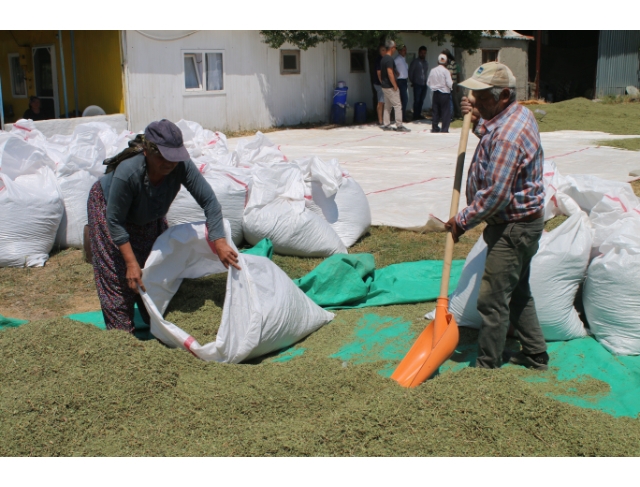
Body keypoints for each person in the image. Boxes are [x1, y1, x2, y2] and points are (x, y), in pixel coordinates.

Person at [87, 119, 240, 333]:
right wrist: (131, 262)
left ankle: (154, 319)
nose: (169, 164)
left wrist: (219, 241)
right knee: (119, 274)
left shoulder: (181, 166)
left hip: (148, 213)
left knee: (152, 267)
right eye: (163, 157)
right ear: (148, 152)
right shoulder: (128, 172)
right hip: (109, 211)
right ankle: (121, 335)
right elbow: (114, 221)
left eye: (174, 158)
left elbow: (210, 202)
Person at [444, 62, 548, 371]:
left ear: (502, 95)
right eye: (471, 94)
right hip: (524, 223)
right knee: (517, 292)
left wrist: (462, 220)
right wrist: (476, 121)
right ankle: (535, 354)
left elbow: (496, 194)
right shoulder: (515, 115)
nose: (473, 101)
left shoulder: (508, 135)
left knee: (491, 299)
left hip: (513, 228)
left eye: (480, 96)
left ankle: (486, 367)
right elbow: (492, 140)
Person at [380, 40, 410, 132]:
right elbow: (390, 73)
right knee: (397, 105)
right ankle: (399, 125)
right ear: (392, 48)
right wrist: (395, 85)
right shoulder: (389, 59)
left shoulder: (383, 58)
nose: (395, 50)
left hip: (384, 86)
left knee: (387, 106)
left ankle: (386, 124)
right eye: (395, 48)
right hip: (390, 86)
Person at [427, 54, 453, 133]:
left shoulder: (433, 70)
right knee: (445, 111)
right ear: (446, 62)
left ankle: (435, 128)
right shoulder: (446, 71)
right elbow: (449, 83)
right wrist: (451, 87)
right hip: (444, 92)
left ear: (437, 61)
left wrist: (433, 87)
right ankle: (444, 129)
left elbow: (428, 82)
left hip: (435, 92)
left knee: (435, 111)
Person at [408, 46, 429, 120]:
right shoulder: (415, 62)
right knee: (416, 100)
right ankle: (415, 115)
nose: (423, 54)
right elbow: (410, 73)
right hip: (417, 84)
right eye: (421, 53)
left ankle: (419, 114)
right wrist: (413, 81)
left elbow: (425, 73)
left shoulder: (426, 63)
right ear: (419, 53)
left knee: (421, 100)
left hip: (424, 84)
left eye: (424, 53)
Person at [441, 48, 460, 121]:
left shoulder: (451, 63)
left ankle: (454, 114)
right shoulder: (451, 62)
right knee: (452, 99)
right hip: (452, 83)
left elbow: (451, 74)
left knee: (451, 99)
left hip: (451, 83)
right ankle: (455, 113)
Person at [373, 45, 387, 126]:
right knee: (381, 101)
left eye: (385, 50)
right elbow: (379, 73)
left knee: (383, 102)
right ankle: (380, 120)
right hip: (379, 84)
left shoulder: (385, 59)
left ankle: (383, 119)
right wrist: (382, 82)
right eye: (382, 50)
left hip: (383, 83)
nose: (384, 52)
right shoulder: (379, 60)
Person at [394, 44, 409, 122]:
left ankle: (403, 115)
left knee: (405, 99)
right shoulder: (398, 59)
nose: (405, 51)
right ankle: (402, 116)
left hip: (405, 80)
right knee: (404, 99)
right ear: (399, 51)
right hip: (400, 80)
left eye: (405, 50)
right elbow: (392, 65)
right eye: (403, 50)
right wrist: (395, 71)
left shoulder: (403, 59)